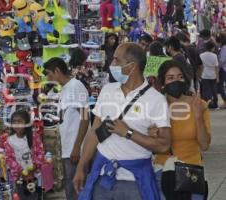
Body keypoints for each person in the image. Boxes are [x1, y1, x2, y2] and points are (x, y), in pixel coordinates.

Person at [73, 43, 171, 200]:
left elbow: (164, 144)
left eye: (117, 60)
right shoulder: (107, 90)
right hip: (102, 177)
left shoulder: (156, 100)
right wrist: (81, 166)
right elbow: (94, 133)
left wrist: (128, 132)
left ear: (133, 66)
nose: (112, 65)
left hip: (134, 183)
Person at [152, 60, 211, 200]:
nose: (176, 81)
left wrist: (197, 116)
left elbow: (204, 145)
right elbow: (152, 146)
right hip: (163, 172)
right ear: (163, 82)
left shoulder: (199, 104)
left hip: (192, 173)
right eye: (170, 78)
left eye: (180, 77)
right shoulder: (154, 106)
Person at [44, 57, 89, 200]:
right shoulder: (65, 89)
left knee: (76, 189)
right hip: (69, 148)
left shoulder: (75, 86)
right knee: (71, 189)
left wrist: (77, 147)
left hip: (75, 149)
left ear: (57, 71)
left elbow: (85, 117)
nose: (48, 77)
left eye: (49, 73)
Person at [4, 110, 38, 200]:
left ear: (26, 123)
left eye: (19, 121)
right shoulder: (9, 141)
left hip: (34, 176)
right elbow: (9, 158)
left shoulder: (34, 136)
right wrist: (20, 171)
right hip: (20, 178)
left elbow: (40, 153)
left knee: (34, 196)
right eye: (14, 121)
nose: (16, 124)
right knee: (23, 196)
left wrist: (34, 167)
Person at [200, 41, 219, 109]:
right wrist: (217, 77)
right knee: (214, 90)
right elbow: (216, 67)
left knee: (206, 90)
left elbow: (201, 66)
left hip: (204, 75)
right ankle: (215, 104)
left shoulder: (201, 55)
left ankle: (207, 104)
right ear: (212, 48)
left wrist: (200, 74)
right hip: (213, 75)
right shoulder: (214, 56)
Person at [217, 33, 226, 108]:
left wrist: (217, 65)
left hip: (223, 69)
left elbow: (222, 60)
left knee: (220, 86)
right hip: (223, 68)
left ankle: (225, 101)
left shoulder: (224, 48)